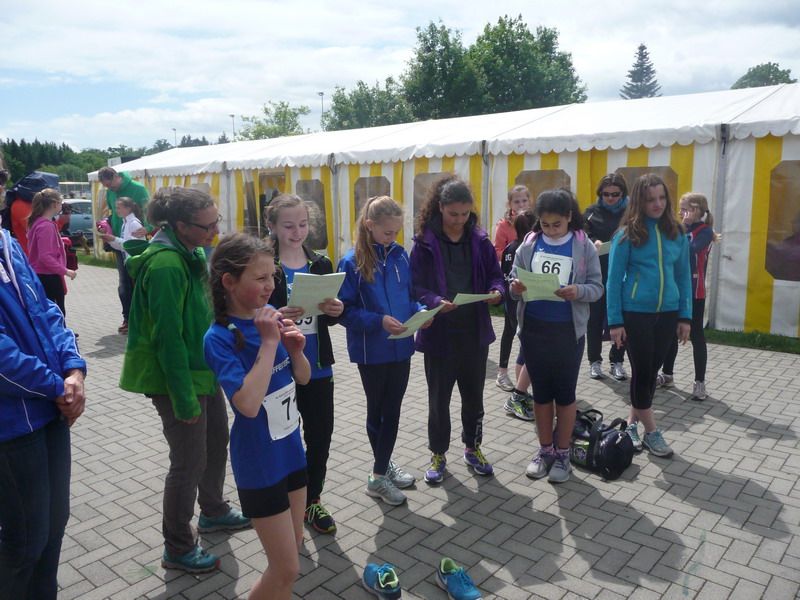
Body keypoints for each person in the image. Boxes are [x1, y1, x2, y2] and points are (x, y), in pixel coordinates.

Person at [119, 187, 250, 574]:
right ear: (179, 225)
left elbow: (202, 312)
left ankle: (213, 510)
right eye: (207, 226)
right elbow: (167, 339)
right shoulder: (165, 266)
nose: (215, 231)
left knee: (216, 441)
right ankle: (177, 546)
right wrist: (183, 399)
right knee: (188, 462)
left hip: (201, 369)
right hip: (176, 379)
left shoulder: (190, 253)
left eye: (216, 221)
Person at [204, 232, 311, 600]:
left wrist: (296, 351)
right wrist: (269, 343)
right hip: (260, 462)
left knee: (293, 553)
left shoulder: (270, 320)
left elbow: (303, 378)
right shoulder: (219, 337)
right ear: (229, 282)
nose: (270, 286)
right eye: (260, 278)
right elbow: (247, 405)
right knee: (286, 569)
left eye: (272, 277)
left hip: (291, 452)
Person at [0, 225, 86, 599]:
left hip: (49, 411)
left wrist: (74, 370)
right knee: (24, 543)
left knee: (53, 526)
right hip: (11, 425)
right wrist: (57, 387)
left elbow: (46, 310)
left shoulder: (6, 242)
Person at [410, 174, 504, 483]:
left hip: (474, 335)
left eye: (465, 214)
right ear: (440, 207)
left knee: (474, 399)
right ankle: (438, 454)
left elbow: (495, 275)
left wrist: (497, 291)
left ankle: (473, 448)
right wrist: (435, 300)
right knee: (439, 402)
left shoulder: (480, 239)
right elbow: (415, 286)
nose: (459, 220)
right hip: (439, 336)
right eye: (453, 214)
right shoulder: (424, 242)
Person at [510, 189, 603, 483]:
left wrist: (578, 291)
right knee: (541, 395)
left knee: (564, 395)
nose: (550, 230)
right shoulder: (529, 243)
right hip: (535, 329)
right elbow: (514, 279)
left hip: (567, 332)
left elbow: (597, 288)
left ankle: (563, 454)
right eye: (545, 224)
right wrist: (516, 287)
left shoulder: (583, 246)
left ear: (569, 217)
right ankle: (545, 450)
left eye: (557, 225)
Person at [338, 196, 425, 505]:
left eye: (397, 232)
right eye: (388, 232)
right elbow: (343, 311)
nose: (393, 237)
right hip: (371, 351)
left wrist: (421, 312)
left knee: (393, 411)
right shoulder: (351, 261)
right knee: (380, 412)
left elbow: (410, 297)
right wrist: (378, 321)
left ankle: (382, 467)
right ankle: (377, 476)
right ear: (369, 225)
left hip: (402, 347)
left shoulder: (401, 256)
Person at [265, 194, 343, 533]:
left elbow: (330, 319)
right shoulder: (264, 264)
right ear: (272, 226)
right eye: (288, 226)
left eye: (303, 224)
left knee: (320, 435)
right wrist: (275, 315)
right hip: (278, 368)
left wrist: (337, 310)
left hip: (318, 364)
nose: (297, 232)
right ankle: (283, 500)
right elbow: (248, 312)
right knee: (282, 437)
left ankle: (312, 500)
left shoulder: (321, 263)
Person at [606, 174, 692, 458]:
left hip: (668, 313)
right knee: (643, 372)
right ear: (639, 202)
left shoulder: (676, 232)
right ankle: (652, 432)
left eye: (662, 197)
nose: (658, 204)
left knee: (650, 374)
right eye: (650, 199)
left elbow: (683, 276)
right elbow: (613, 281)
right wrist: (615, 321)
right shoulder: (626, 235)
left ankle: (631, 425)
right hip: (635, 314)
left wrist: (685, 317)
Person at [656, 192, 719, 401]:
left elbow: (689, 250)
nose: (680, 213)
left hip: (695, 292)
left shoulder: (705, 231)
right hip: (674, 289)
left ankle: (700, 382)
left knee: (696, 335)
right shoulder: (679, 228)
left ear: (697, 210)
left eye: (684, 209)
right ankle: (667, 375)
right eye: (680, 209)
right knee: (670, 333)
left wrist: (682, 228)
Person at [583, 173, 630, 381]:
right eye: (606, 194)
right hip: (598, 273)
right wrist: (593, 241)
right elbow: (582, 233)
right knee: (594, 319)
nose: (610, 198)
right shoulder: (591, 212)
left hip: (623, 274)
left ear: (623, 193)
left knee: (620, 319)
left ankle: (617, 361)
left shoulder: (630, 212)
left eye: (615, 194)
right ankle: (594, 361)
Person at [97, 166, 150, 334]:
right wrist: (107, 228)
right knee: (124, 285)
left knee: (136, 284)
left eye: (109, 184)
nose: (109, 188)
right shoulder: (110, 192)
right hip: (119, 242)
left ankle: (140, 320)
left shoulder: (138, 189)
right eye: (106, 186)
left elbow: (150, 211)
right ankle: (128, 318)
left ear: (115, 176)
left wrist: (148, 228)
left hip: (133, 244)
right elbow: (112, 214)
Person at [495, 185, 532, 392]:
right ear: (510, 204)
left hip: (529, 291)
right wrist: (516, 255)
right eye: (517, 201)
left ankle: (524, 379)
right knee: (510, 331)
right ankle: (503, 373)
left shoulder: (535, 220)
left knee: (522, 333)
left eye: (524, 200)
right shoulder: (504, 225)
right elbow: (498, 250)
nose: (521, 204)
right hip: (512, 285)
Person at [501, 210, 537, 421]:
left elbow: (504, 273)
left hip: (511, 303)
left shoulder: (511, 248)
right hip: (521, 304)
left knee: (524, 349)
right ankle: (519, 395)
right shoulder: (526, 249)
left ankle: (521, 393)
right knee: (528, 350)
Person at [26, 189, 77, 317]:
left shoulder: (39, 223)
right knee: (56, 313)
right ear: (55, 204)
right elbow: (45, 256)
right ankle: (59, 330)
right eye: (61, 203)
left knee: (50, 311)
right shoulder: (46, 226)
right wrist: (64, 270)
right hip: (48, 275)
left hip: (42, 274)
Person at [100, 196, 144, 260]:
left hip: (136, 261)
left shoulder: (134, 224)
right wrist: (110, 240)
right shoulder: (125, 223)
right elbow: (122, 247)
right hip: (128, 259)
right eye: (116, 208)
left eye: (118, 208)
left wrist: (114, 238)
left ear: (128, 209)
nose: (116, 210)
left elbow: (132, 246)